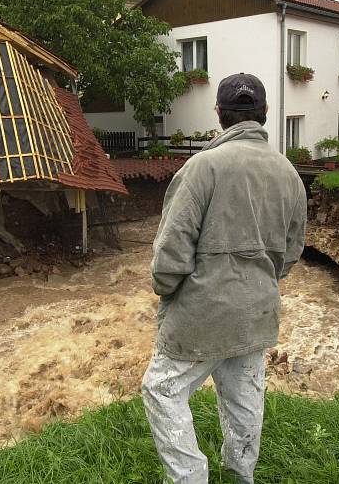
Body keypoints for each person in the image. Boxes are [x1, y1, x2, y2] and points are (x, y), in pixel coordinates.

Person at [141, 73, 307, 484]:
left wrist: (166, 289)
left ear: (219, 115)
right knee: (244, 395)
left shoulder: (203, 167)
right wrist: (264, 280)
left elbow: (171, 250)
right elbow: (292, 250)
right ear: (265, 114)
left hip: (203, 310)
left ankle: (189, 477)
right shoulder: (289, 173)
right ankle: (240, 474)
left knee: (161, 389)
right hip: (258, 308)